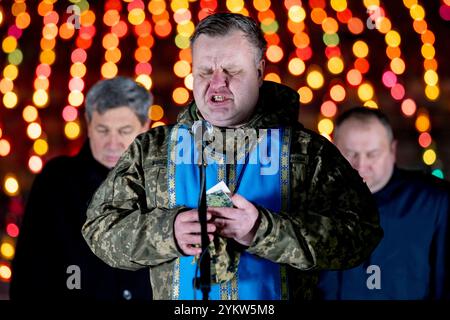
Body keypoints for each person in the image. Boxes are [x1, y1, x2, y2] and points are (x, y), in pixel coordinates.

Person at [82, 13, 383, 300]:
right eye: (204, 71)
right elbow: (99, 230)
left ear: (259, 71)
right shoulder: (151, 150)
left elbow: (361, 234)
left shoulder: (307, 153)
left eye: (232, 71)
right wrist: (167, 232)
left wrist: (265, 230)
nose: (217, 83)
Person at [10, 77, 153, 300]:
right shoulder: (56, 182)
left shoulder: (167, 183)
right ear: (88, 124)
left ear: (145, 126)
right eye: (103, 130)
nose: (112, 143)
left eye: (124, 131)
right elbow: (29, 278)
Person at [318, 107, 450, 299]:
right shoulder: (309, 201)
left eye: (372, 154)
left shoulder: (435, 202)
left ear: (392, 150)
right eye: (349, 153)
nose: (360, 164)